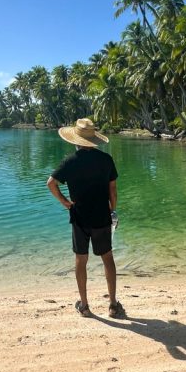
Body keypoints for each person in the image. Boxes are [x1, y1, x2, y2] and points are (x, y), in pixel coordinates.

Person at [47, 118, 125, 319]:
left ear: (76, 140)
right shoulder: (106, 160)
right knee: (107, 257)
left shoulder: (70, 161)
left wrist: (65, 203)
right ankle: (113, 305)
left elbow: (51, 183)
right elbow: (113, 191)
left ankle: (85, 306)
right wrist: (112, 210)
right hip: (101, 216)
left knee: (81, 259)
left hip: (79, 217)